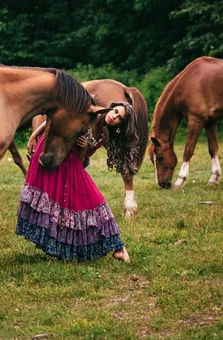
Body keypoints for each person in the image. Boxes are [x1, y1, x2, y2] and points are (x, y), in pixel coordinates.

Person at [16, 101, 139, 262]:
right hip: (51, 151)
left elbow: (80, 161)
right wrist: (33, 137)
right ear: (111, 107)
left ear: (120, 126)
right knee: (55, 199)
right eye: (115, 111)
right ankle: (116, 248)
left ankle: (118, 247)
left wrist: (84, 147)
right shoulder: (90, 113)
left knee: (90, 201)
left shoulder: (102, 136)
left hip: (71, 162)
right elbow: (56, 118)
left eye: (119, 118)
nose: (114, 116)